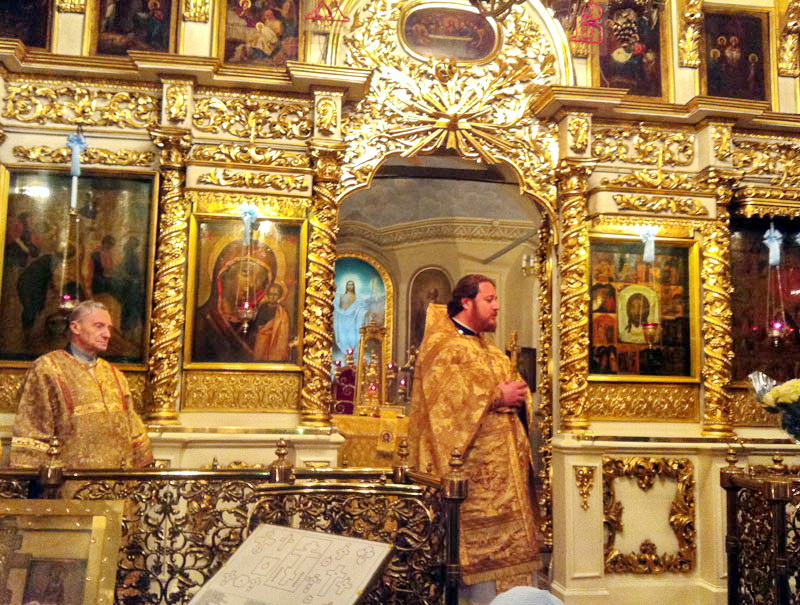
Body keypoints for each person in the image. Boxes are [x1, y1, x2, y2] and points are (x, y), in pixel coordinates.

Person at [407, 274, 540, 601]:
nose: (497, 306)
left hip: (509, 484)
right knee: (478, 574)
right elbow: (444, 410)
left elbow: (518, 392)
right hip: (475, 484)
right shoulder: (442, 348)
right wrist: (495, 396)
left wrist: (519, 397)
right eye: (489, 299)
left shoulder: (492, 351)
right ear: (466, 302)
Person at [9, 300, 153, 469]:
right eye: (99, 326)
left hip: (118, 480)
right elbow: (33, 428)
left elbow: (133, 428)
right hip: (70, 479)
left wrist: (142, 470)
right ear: (75, 327)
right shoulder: (47, 368)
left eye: (109, 328)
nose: (107, 334)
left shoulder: (115, 375)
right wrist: (31, 473)